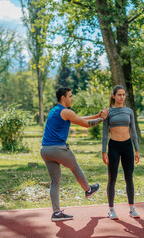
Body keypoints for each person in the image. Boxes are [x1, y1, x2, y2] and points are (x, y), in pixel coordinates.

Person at [41, 87, 109, 222]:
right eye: (70, 96)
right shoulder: (66, 111)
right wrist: (102, 118)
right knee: (75, 168)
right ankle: (88, 190)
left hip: (45, 150)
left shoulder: (55, 110)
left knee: (55, 181)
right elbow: (85, 124)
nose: (72, 98)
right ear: (63, 98)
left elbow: (78, 118)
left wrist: (96, 115)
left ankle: (56, 213)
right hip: (58, 149)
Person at [102, 85, 140, 220]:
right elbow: (104, 133)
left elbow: (134, 132)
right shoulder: (108, 112)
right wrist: (103, 151)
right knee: (112, 178)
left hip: (127, 146)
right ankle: (111, 210)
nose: (122, 97)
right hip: (113, 146)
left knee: (129, 177)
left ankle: (132, 208)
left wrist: (137, 150)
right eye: (119, 95)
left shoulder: (129, 111)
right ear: (113, 96)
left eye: (123, 94)